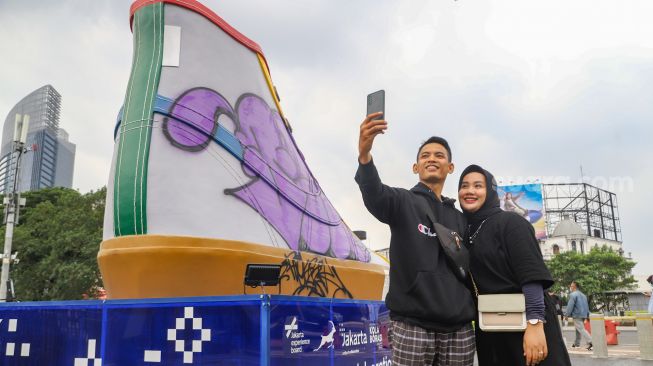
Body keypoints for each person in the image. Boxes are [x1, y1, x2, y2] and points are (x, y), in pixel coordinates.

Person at [355, 111, 476, 365]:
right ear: (415, 167)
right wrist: (365, 155)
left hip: (459, 328)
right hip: (412, 325)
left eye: (439, 155)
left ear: (450, 167)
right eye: (425, 156)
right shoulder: (402, 201)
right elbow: (374, 194)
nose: (432, 159)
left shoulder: (461, 218)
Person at [458, 164, 571, 366]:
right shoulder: (466, 232)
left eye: (478, 185)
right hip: (490, 327)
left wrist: (535, 323)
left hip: (526, 323)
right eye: (464, 186)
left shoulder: (510, 222)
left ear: (491, 191)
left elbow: (531, 273)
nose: (470, 191)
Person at [564, 281, 592, 350]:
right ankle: (576, 343)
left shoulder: (573, 295)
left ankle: (591, 342)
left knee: (581, 329)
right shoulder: (583, 295)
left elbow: (570, 306)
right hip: (583, 314)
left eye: (571, 286)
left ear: (574, 287)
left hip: (577, 314)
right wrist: (587, 314)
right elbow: (586, 306)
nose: (570, 287)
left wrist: (566, 315)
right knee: (578, 329)